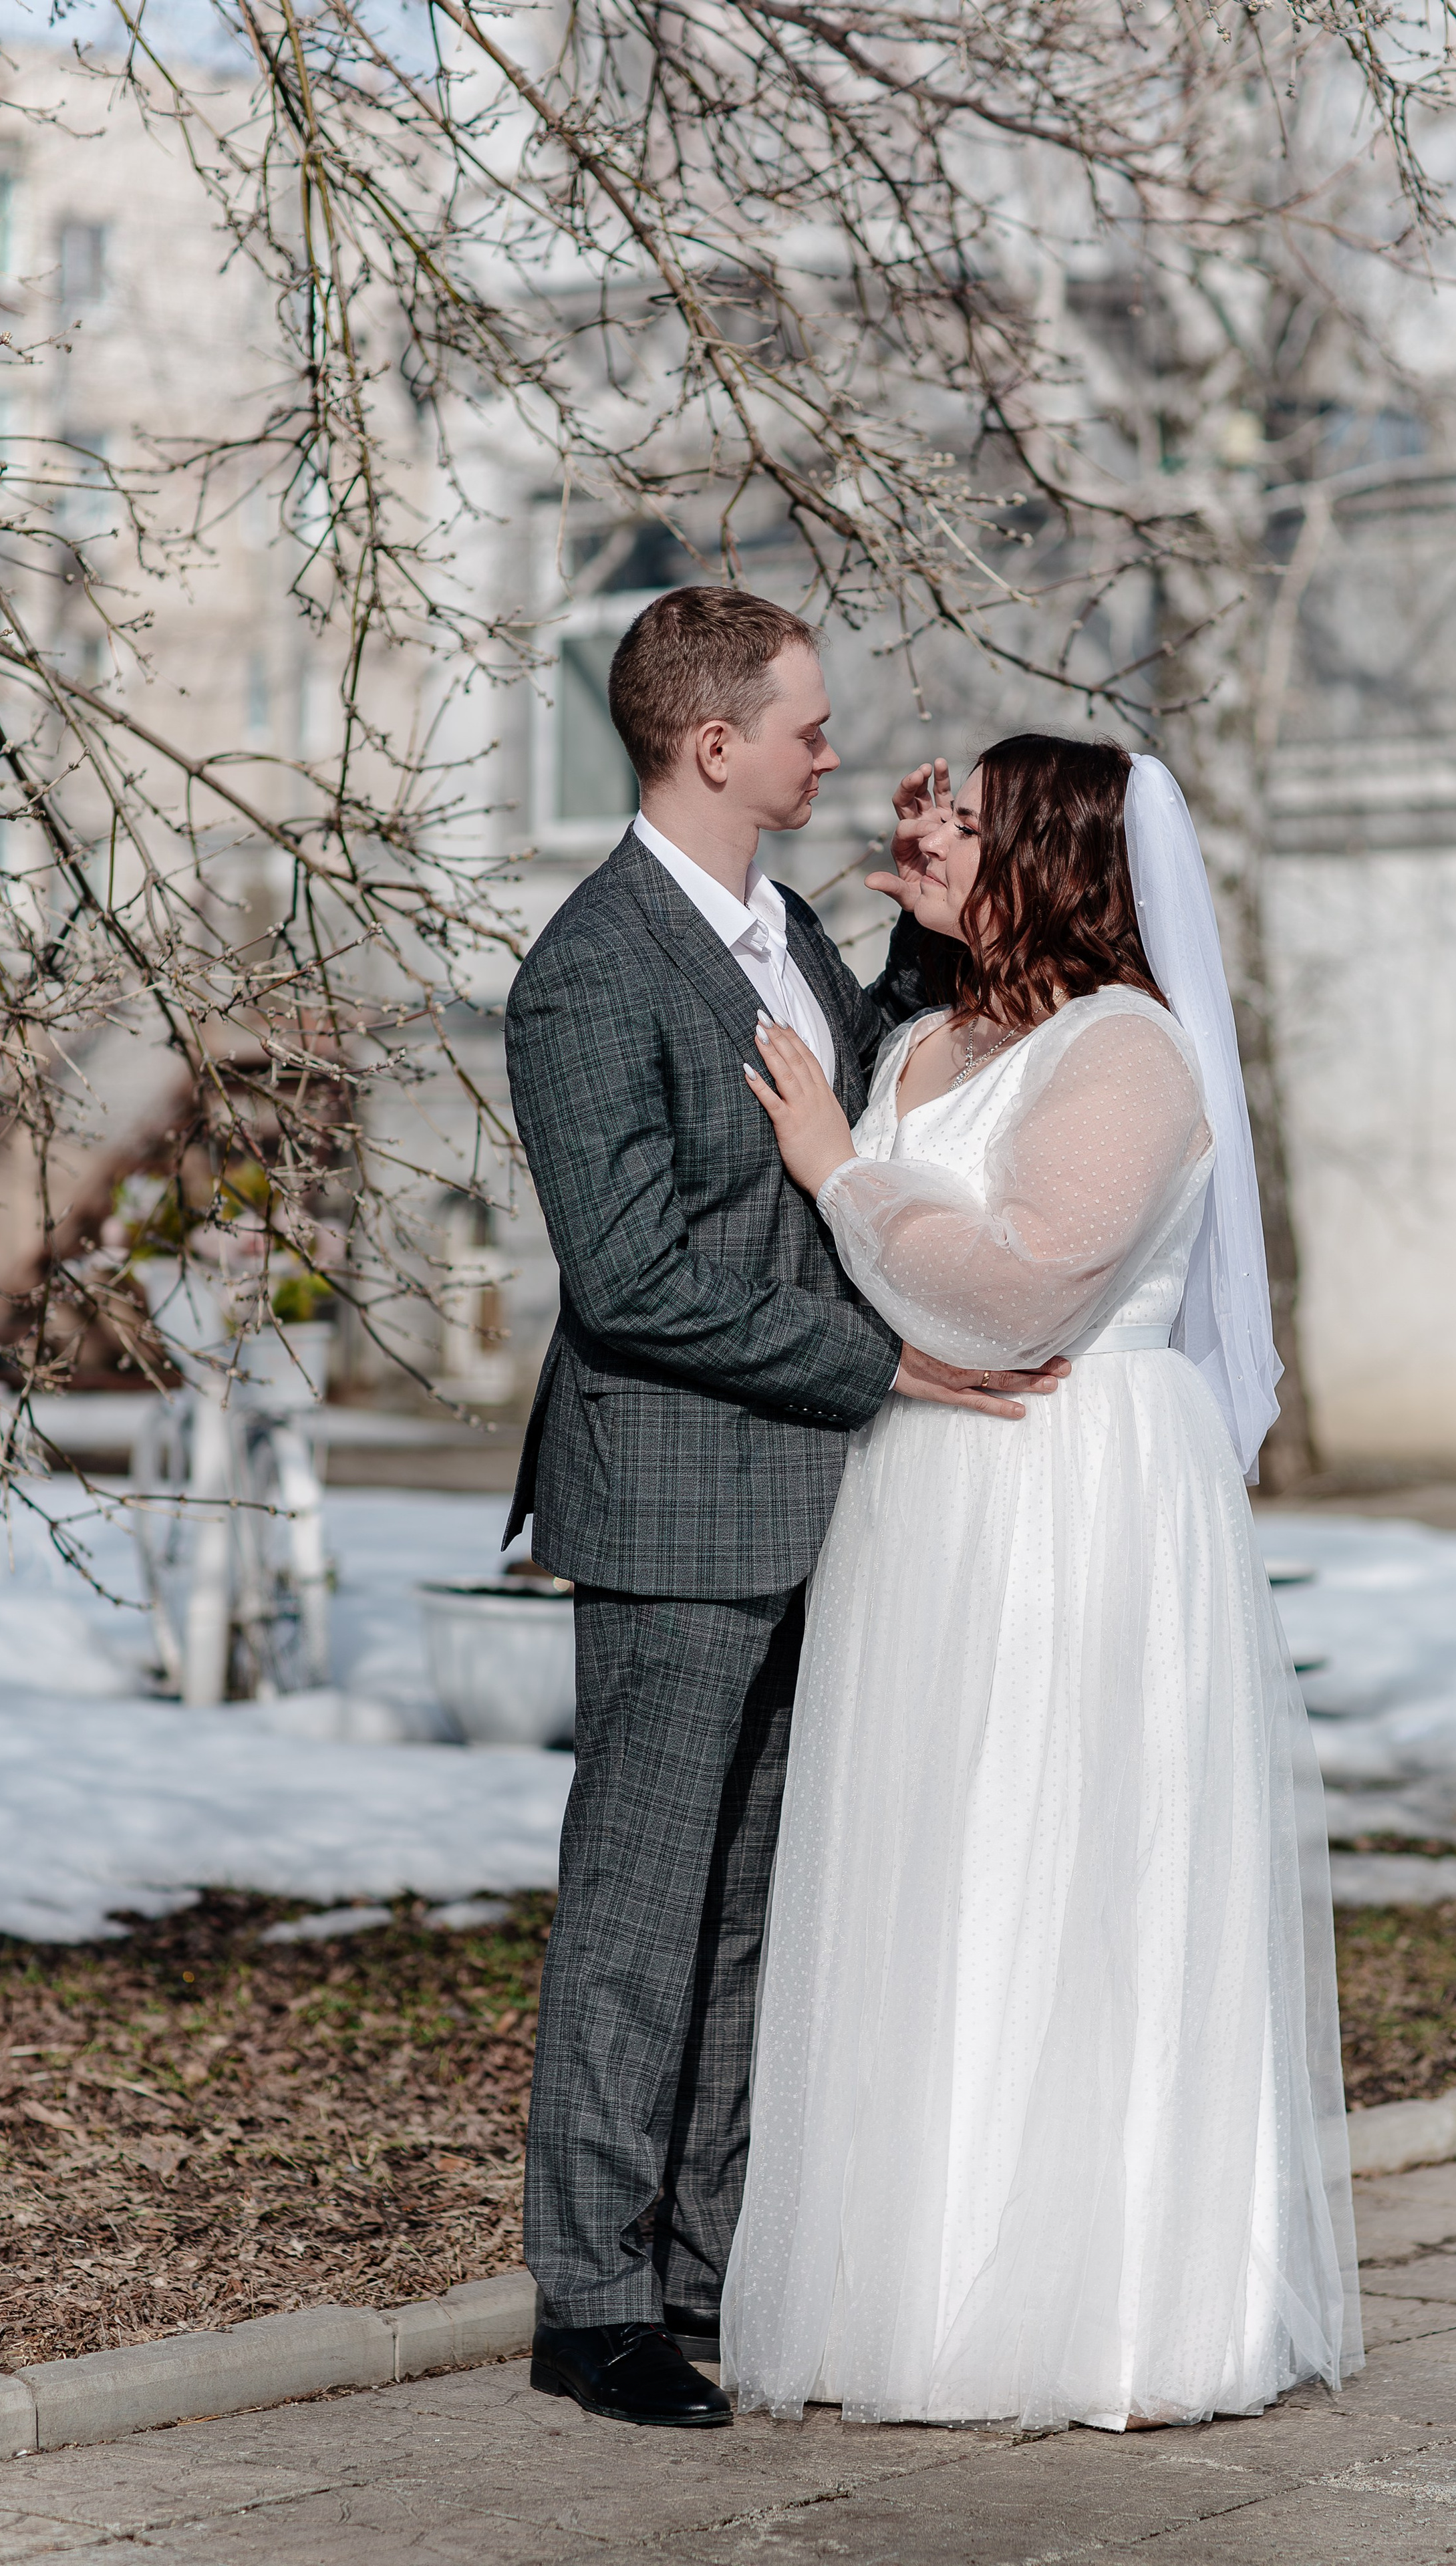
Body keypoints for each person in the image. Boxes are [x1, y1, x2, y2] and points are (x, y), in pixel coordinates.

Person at [725, 733, 1362, 2430]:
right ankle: (916, 2294)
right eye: (915, 804)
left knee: (1063, 1858)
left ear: (1054, 853)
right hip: (927, 1491)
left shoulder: (1129, 1054)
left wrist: (833, 1167)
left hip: (1074, 1490)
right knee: (924, 1869)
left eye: (952, 813)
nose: (908, 825)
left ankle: (1111, 2312)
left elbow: (1019, 1292)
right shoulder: (923, 1034)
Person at [503, 590, 1068, 2430]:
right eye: (813, 731)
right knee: (639, 1905)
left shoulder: (787, 941)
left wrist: (926, 905)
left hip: (820, 1506)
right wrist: (886, 1372)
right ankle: (590, 2304)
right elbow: (636, 1277)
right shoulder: (591, 969)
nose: (840, 757)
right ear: (713, 743)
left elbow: (854, 1139)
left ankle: (703, 2261)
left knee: (754, 1907)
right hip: (676, 1501)